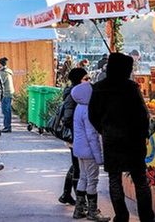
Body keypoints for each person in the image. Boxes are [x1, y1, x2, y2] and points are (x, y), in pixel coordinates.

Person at [88, 53, 155, 222]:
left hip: (112, 140)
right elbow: (142, 114)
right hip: (133, 140)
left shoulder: (98, 88)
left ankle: (121, 216)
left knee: (114, 179)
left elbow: (92, 116)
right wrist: (143, 134)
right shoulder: (130, 87)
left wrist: (105, 130)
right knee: (140, 179)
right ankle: (147, 218)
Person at [71, 78, 109, 221]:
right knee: (92, 180)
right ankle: (93, 211)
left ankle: (79, 209)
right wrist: (99, 157)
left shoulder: (79, 107)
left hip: (79, 149)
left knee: (83, 177)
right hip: (89, 151)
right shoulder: (88, 110)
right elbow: (92, 135)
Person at [58, 67, 89, 207]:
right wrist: (79, 131)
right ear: (78, 80)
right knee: (78, 167)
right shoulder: (73, 95)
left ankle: (66, 194)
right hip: (76, 136)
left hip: (77, 136)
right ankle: (80, 203)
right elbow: (67, 119)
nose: (89, 81)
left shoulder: (78, 92)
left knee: (76, 165)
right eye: (86, 79)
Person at [0, 57, 15, 133]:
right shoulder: (8, 71)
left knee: (6, 111)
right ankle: (8, 126)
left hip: (6, 93)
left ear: (1, 64)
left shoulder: (3, 73)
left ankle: (7, 127)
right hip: (10, 93)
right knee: (8, 110)